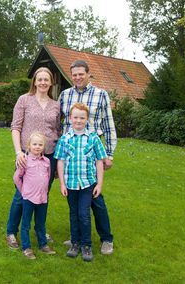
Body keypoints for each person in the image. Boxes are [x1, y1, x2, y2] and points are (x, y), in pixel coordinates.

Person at [59, 59, 117, 255]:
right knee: (76, 201)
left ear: (88, 74)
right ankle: (77, 238)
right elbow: (60, 124)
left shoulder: (101, 95)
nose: (77, 77)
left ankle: (106, 239)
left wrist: (109, 154)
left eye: (81, 74)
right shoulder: (65, 95)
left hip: (92, 151)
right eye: (74, 74)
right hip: (72, 153)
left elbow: (109, 125)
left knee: (96, 198)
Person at [6, 67, 61, 249]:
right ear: (35, 82)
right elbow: (15, 127)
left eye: (47, 79)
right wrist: (18, 152)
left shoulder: (55, 105)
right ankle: (12, 232)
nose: (43, 82)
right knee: (22, 194)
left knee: (42, 195)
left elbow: (58, 131)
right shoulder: (24, 100)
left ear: (51, 82)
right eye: (40, 79)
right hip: (26, 156)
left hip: (49, 156)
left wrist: (59, 160)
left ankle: (40, 230)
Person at [55, 103, 107, 262]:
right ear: (70, 118)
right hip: (70, 184)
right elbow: (61, 162)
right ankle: (75, 243)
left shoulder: (93, 139)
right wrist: (62, 184)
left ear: (87, 119)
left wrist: (99, 184)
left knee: (84, 214)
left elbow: (99, 162)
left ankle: (86, 245)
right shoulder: (64, 139)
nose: (78, 120)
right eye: (75, 117)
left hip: (87, 184)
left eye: (82, 118)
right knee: (73, 214)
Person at [13, 131, 56, 259]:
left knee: (41, 223)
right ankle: (27, 248)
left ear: (44, 146)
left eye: (40, 144)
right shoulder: (25, 160)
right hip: (28, 198)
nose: (37, 147)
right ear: (29, 146)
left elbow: (48, 177)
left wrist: (45, 191)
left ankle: (43, 244)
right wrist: (23, 191)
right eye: (35, 144)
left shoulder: (47, 161)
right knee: (26, 223)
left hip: (43, 198)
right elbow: (16, 177)